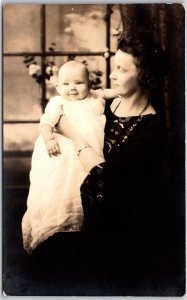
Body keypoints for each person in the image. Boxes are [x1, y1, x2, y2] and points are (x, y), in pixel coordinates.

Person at [30, 32, 171, 293]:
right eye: (114, 67)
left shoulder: (152, 129)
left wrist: (70, 131)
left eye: (121, 69)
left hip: (117, 234)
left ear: (143, 75)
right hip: (75, 214)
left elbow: (104, 175)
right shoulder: (101, 106)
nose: (112, 75)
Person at [22, 60, 119, 254]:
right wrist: (49, 139)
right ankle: (58, 222)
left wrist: (120, 91)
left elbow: (107, 92)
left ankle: (79, 223)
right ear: (57, 87)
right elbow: (46, 123)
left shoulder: (94, 97)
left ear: (90, 84)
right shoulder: (58, 103)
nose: (72, 88)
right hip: (63, 153)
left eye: (79, 83)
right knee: (61, 184)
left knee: (81, 183)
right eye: (66, 84)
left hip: (86, 152)